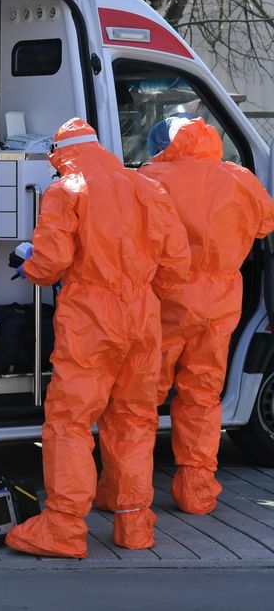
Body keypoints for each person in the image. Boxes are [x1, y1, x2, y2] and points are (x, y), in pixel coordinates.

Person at [4, 118, 190, 559]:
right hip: (142, 315)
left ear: (61, 153)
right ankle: (134, 525)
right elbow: (177, 264)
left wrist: (28, 264)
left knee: (69, 422)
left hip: (90, 316)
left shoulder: (65, 189)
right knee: (134, 420)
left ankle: (64, 528)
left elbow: (49, 263)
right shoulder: (147, 187)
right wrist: (138, 289)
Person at [132, 117, 274, 514]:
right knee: (202, 396)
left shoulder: (150, 177)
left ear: (164, 144)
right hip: (220, 304)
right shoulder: (240, 178)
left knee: (140, 401)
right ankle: (195, 493)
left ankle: (128, 494)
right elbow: (265, 224)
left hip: (167, 302)